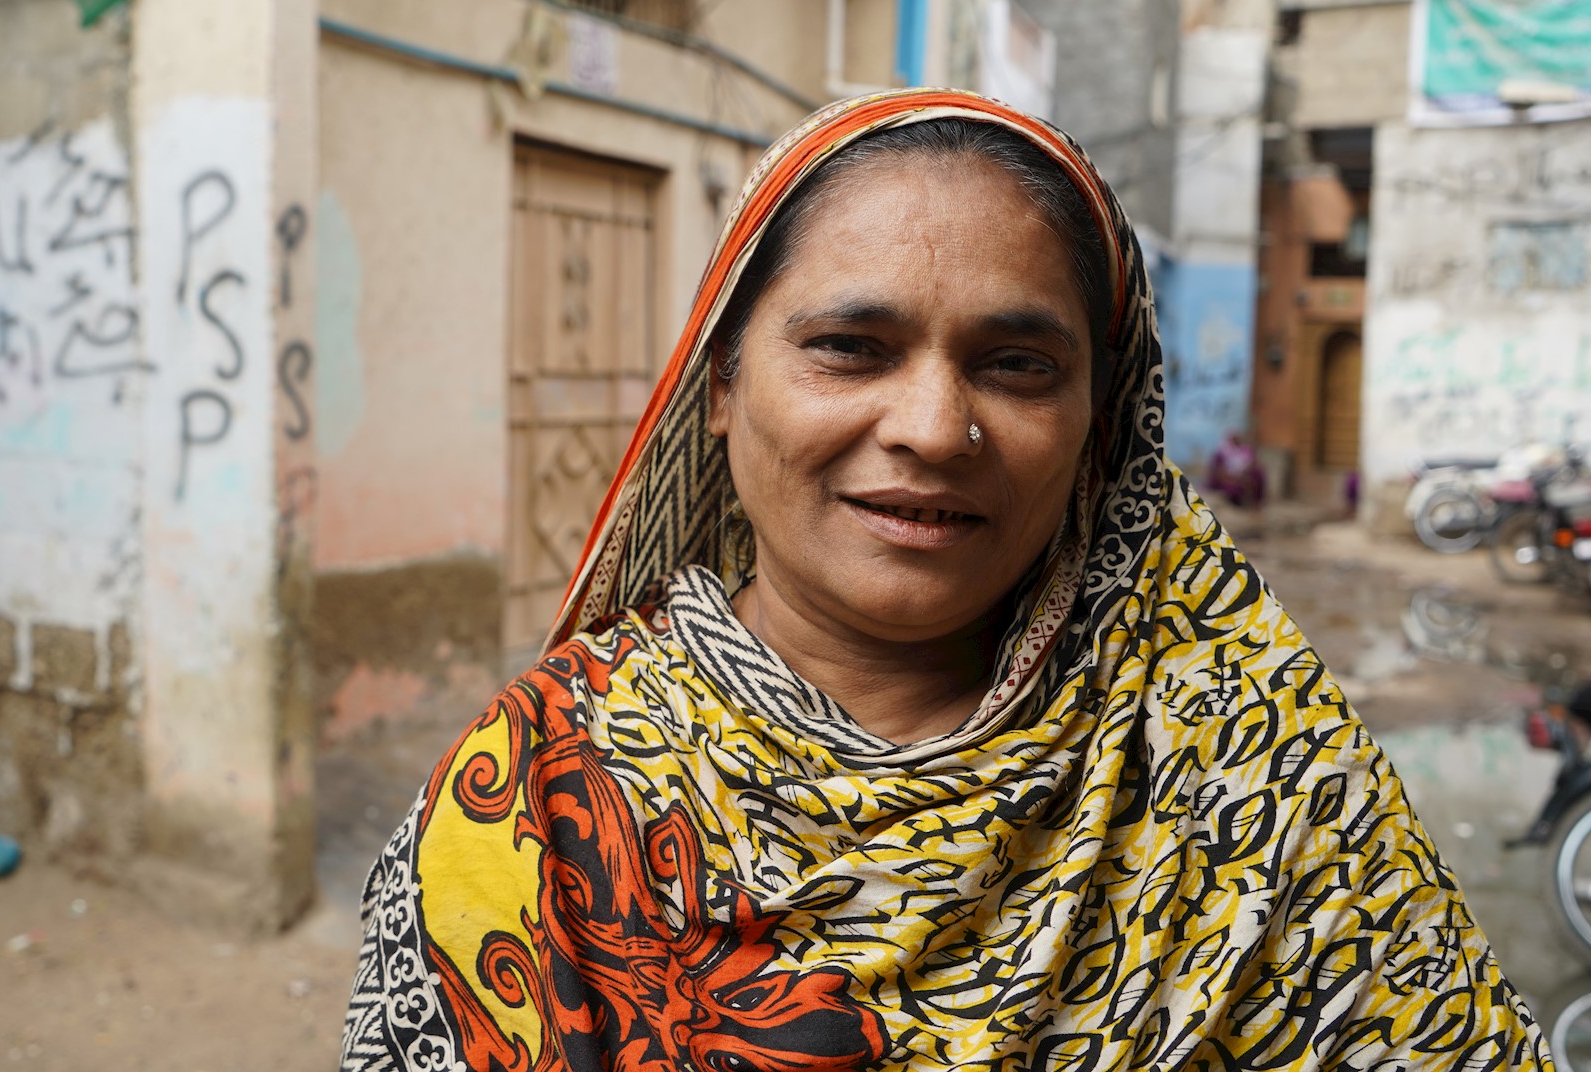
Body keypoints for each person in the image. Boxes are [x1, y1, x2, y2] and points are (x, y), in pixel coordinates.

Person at [340, 90, 1550, 1069]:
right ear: (721, 386)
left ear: (1102, 425)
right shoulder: (539, 794)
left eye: (1017, 365)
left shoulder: (1258, 770)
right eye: (849, 349)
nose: (930, 426)